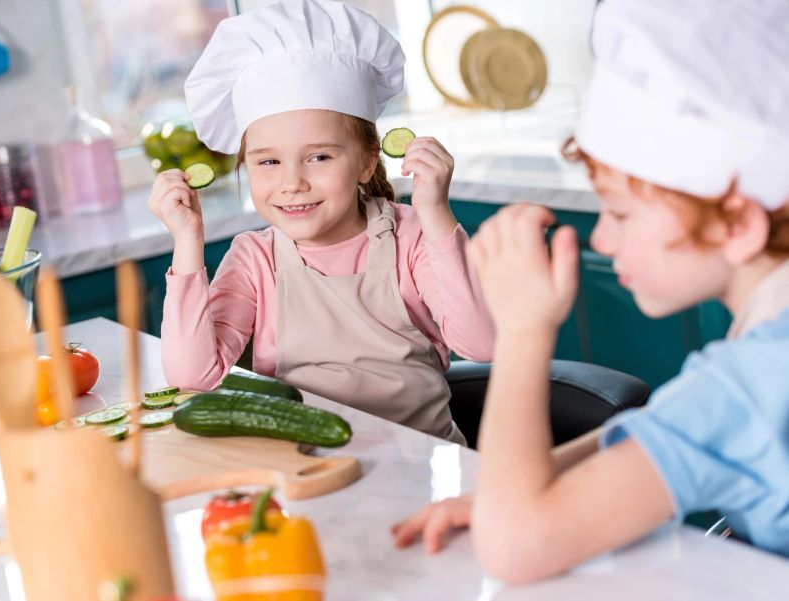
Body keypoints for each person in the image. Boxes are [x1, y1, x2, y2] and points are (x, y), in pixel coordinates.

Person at [392, 0, 789, 581]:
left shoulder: (747, 384)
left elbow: (516, 547)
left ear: (737, 224)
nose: (602, 237)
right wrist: (524, 482)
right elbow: (669, 431)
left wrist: (525, 331)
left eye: (622, 215)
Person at [148, 0, 494, 443]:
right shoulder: (255, 259)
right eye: (268, 161)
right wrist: (187, 240)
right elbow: (193, 377)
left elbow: (480, 344)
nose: (292, 183)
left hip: (425, 465)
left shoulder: (410, 235)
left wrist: (435, 213)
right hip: (309, 470)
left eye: (319, 157)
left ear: (367, 161)